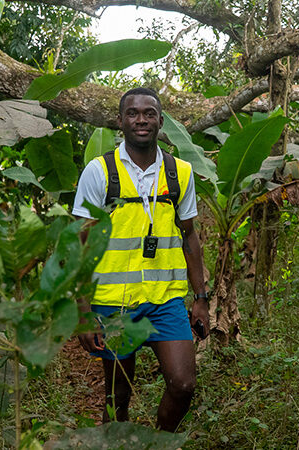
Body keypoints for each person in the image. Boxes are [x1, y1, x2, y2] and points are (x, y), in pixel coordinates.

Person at [72, 87, 209, 432]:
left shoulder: (181, 173)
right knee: (117, 395)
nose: (141, 120)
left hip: (166, 301)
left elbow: (189, 235)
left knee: (183, 385)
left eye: (149, 113)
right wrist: (83, 310)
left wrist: (202, 298)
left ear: (161, 121)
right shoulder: (99, 171)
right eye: (133, 113)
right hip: (114, 304)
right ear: (120, 121)